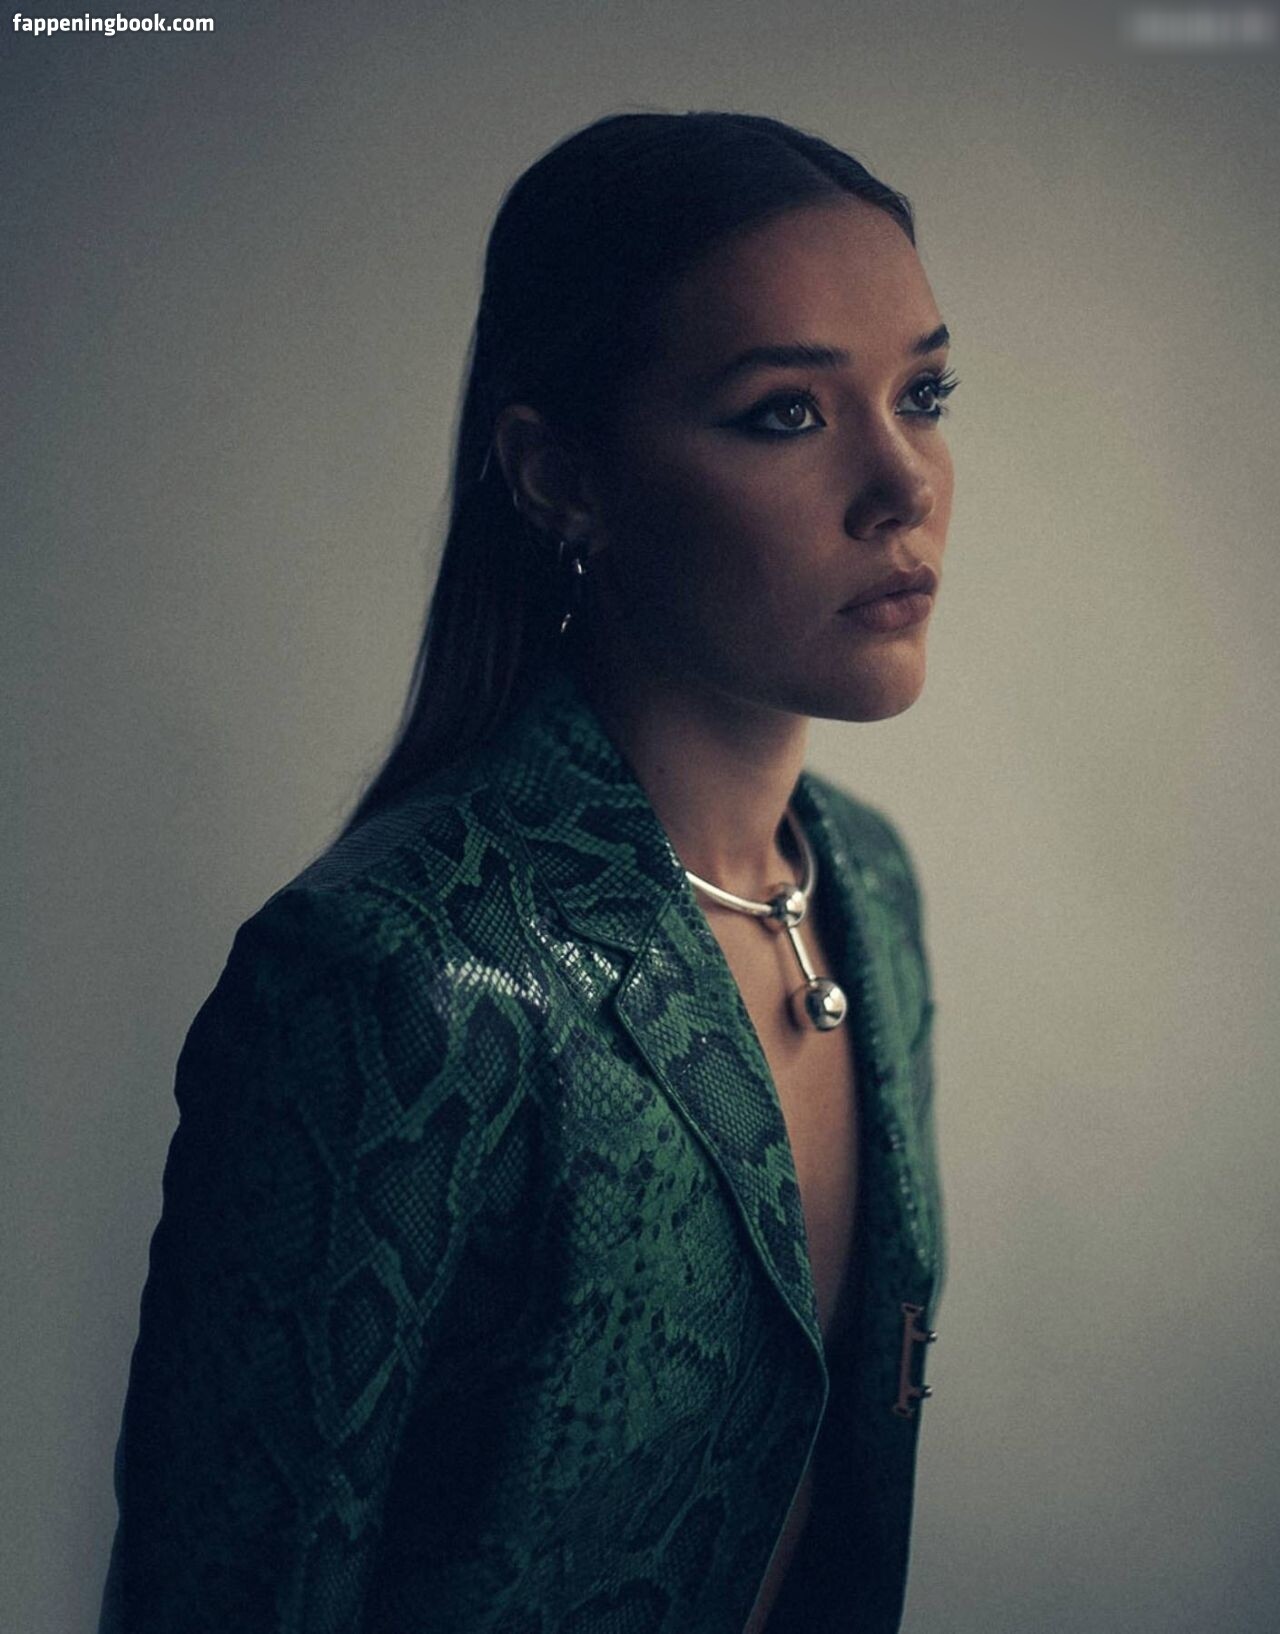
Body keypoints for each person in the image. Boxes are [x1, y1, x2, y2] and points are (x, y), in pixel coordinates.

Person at [98, 108, 954, 1634]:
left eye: (924, 393)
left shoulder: (866, 894)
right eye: (785, 412)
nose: (905, 482)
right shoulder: (397, 978)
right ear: (560, 475)